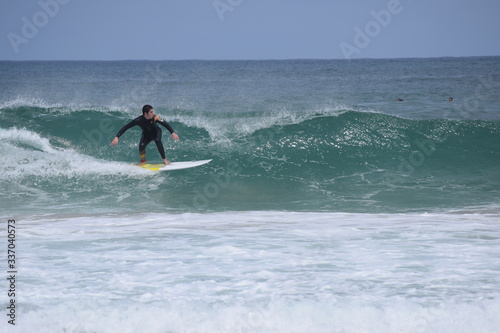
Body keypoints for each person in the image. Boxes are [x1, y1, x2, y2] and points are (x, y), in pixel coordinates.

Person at [110, 105, 179, 165]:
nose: (153, 113)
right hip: (146, 134)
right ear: (145, 113)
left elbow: (166, 124)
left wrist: (172, 132)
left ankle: (164, 159)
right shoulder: (139, 120)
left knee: (157, 140)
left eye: (153, 111)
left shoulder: (156, 117)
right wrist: (117, 137)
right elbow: (126, 127)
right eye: (151, 112)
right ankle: (143, 161)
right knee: (141, 146)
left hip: (156, 132)